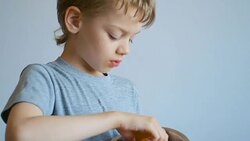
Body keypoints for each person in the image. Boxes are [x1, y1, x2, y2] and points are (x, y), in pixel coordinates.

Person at [1, 0, 169, 140]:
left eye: (131, 39)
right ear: (75, 21)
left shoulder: (128, 90)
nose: (126, 49)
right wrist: (118, 119)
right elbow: (19, 134)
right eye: (114, 35)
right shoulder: (45, 78)